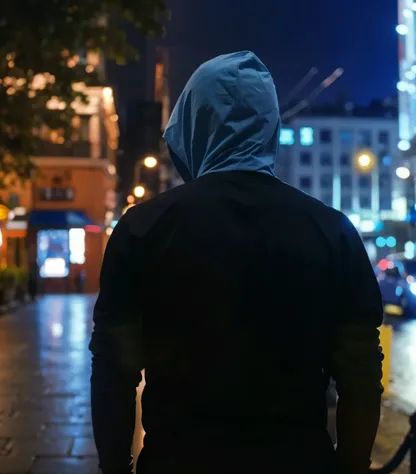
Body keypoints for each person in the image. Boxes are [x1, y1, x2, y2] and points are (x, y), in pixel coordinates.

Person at [90, 51, 384, 474]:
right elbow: (360, 375)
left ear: (191, 124)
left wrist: (116, 466)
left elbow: (114, 371)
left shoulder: (143, 229)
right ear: (270, 127)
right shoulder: (331, 231)